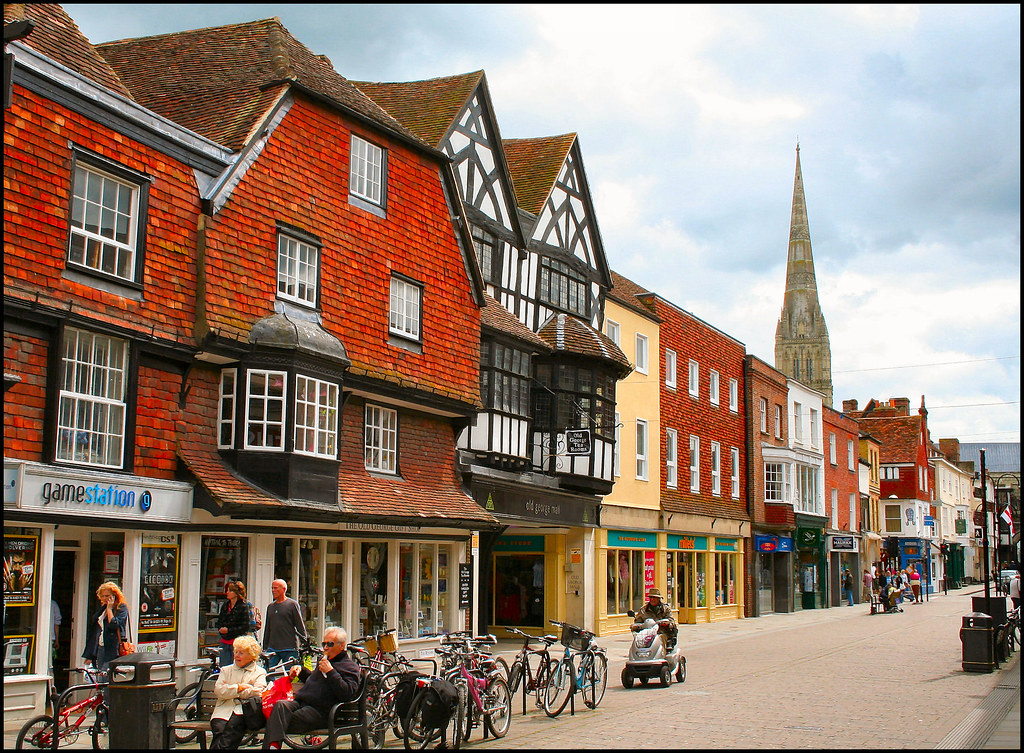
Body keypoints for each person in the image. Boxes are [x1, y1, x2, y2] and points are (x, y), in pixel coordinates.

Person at [261, 627, 361, 750]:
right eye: (324, 644)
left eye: (330, 644)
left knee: (275, 719)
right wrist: (301, 671)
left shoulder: (350, 667)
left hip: (322, 711)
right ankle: (273, 746)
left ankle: (273, 745)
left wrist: (331, 672)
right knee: (280, 706)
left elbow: (347, 693)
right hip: (302, 702)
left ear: (342, 646)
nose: (325, 648)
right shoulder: (324, 661)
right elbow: (314, 681)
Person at [210, 635, 268, 750]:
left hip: (244, 711)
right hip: (223, 710)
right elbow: (219, 691)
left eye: (241, 653)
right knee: (220, 730)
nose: (236, 655)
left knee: (231, 731)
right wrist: (239, 688)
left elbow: (258, 692)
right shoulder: (226, 670)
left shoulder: (259, 672)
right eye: (235, 652)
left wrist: (231, 690)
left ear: (251, 655)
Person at [82, 581, 129, 673]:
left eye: (107, 596)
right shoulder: (103, 608)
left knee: (107, 675)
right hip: (101, 646)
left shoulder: (121, 608)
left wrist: (109, 609)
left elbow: (113, 624)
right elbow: (95, 623)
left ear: (114, 595)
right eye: (103, 596)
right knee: (100, 675)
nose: (105, 598)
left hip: (113, 647)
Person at [264, 579, 308, 668]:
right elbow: (268, 627)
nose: (273, 590)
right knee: (267, 671)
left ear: (284, 589)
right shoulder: (271, 607)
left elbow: (299, 625)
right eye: (272, 588)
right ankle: (272, 683)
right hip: (273, 647)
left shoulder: (292, 604)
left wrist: (305, 643)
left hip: (289, 647)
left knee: (290, 673)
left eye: (276, 588)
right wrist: (265, 646)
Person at [217, 581, 255, 668]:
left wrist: (229, 630)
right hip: (224, 641)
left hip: (238, 642)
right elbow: (220, 620)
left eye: (230, 591)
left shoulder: (243, 606)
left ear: (237, 593)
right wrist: (221, 629)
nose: (227, 592)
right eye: (227, 590)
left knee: (238, 667)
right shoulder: (225, 606)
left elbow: (245, 626)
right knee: (224, 667)